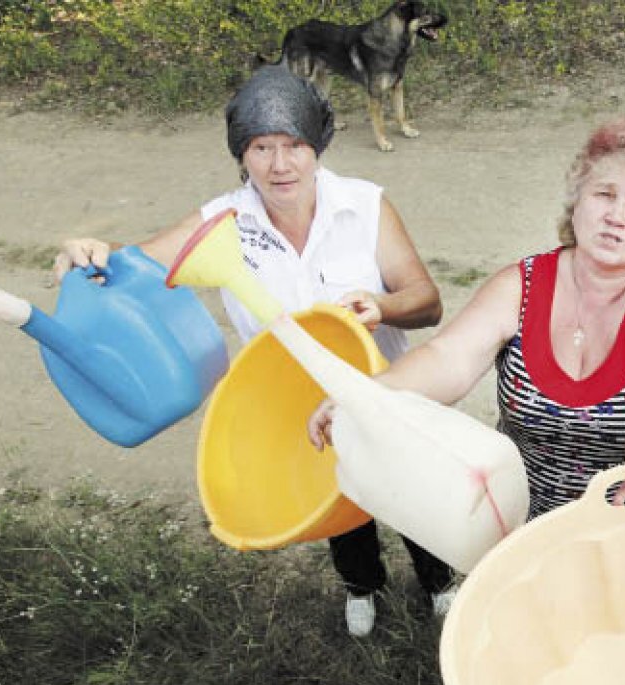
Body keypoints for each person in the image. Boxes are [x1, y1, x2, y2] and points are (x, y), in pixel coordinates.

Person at [53, 65, 455, 637]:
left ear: (317, 148)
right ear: (242, 156)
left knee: (411, 489)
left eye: (294, 145)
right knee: (338, 500)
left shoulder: (365, 206)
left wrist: (382, 307)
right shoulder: (222, 220)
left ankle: (439, 581)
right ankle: (362, 586)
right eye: (261, 147)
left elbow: (427, 301)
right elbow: (134, 266)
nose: (280, 164)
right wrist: (89, 251)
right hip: (298, 399)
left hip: (384, 384)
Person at [309, 117, 625, 523]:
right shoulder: (521, 286)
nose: (616, 216)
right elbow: (448, 358)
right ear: (576, 201)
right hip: (529, 523)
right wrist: (364, 394)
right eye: (604, 194)